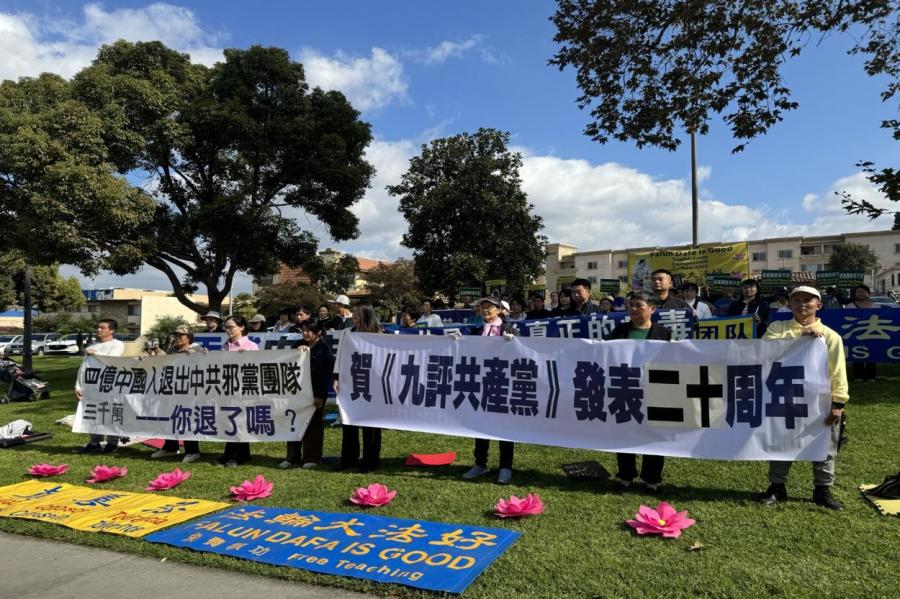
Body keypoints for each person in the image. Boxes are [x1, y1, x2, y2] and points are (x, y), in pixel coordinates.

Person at [756, 286, 848, 510]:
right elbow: (765, 350)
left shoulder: (830, 336)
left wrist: (838, 403)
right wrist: (799, 337)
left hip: (820, 401)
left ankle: (822, 490)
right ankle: (777, 487)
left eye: (808, 300)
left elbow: (838, 371)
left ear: (819, 305)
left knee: (824, 446)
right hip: (784, 397)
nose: (802, 304)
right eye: (796, 300)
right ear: (789, 304)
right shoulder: (778, 327)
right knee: (781, 442)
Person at [608, 292, 671, 491]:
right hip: (626, 387)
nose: (633, 309)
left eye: (638, 305)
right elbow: (602, 352)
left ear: (652, 309)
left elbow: (674, 358)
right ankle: (626, 474)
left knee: (654, 433)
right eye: (631, 305)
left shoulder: (663, 333)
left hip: (655, 389)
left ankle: (651, 477)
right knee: (625, 431)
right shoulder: (620, 331)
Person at [463, 297, 518, 484]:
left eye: (489, 307)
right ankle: (480, 463)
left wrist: (514, 342)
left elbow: (521, 354)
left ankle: (505, 467)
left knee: (505, 427)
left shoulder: (509, 330)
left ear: (499, 309)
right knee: (480, 425)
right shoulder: (476, 331)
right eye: (482, 307)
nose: (485, 310)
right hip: (480, 383)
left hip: (503, 384)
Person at [335, 304, 383, 472]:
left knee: (371, 425)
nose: (354, 318)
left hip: (373, 385)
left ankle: (370, 460)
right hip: (351, 383)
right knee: (349, 422)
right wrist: (336, 377)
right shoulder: (348, 334)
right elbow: (340, 357)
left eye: (357, 315)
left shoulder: (379, 334)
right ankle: (348, 459)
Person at [281, 317, 333, 469]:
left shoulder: (324, 350)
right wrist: (296, 353)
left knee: (313, 425)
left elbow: (324, 376)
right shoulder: (298, 344)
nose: (305, 333)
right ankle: (292, 457)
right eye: (303, 330)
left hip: (314, 393)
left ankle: (312, 457)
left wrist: (320, 395)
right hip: (296, 391)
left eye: (308, 330)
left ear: (318, 332)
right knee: (293, 422)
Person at [151, 325, 206, 463]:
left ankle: (192, 451)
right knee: (170, 417)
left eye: (181, 336)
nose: (177, 338)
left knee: (187, 418)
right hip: (172, 389)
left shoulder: (197, 349)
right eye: (176, 336)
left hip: (189, 391)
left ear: (189, 337)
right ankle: (170, 446)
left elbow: (205, 362)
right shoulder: (173, 350)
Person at [76, 319, 126, 454]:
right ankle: (94, 442)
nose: (99, 330)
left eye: (102, 328)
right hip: (93, 387)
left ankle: (112, 443)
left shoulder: (117, 344)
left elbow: (112, 359)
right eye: (98, 327)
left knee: (111, 413)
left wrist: (94, 354)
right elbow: (84, 368)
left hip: (110, 386)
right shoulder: (94, 346)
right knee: (94, 414)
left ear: (112, 330)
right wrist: (78, 386)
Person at [218, 315, 259, 467]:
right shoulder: (224, 346)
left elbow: (255, 368)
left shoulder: (251, 346)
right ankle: (231, 453)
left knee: (240, 421)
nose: (228, 330)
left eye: (231, 327)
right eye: (226, 327)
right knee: (229, 420)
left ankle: (237, 455)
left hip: (244, 390)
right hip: (227, 388)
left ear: (241, 327)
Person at [845, 284, 877, 382]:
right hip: (856, 335)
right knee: (857, 354)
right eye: (858, 292)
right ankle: (858, 376)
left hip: (871, 334)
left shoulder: (876, 306)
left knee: (872, 355)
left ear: (868, 293)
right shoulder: (849, 306)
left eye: (863, 291)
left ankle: (871, 376)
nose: (860, 294)